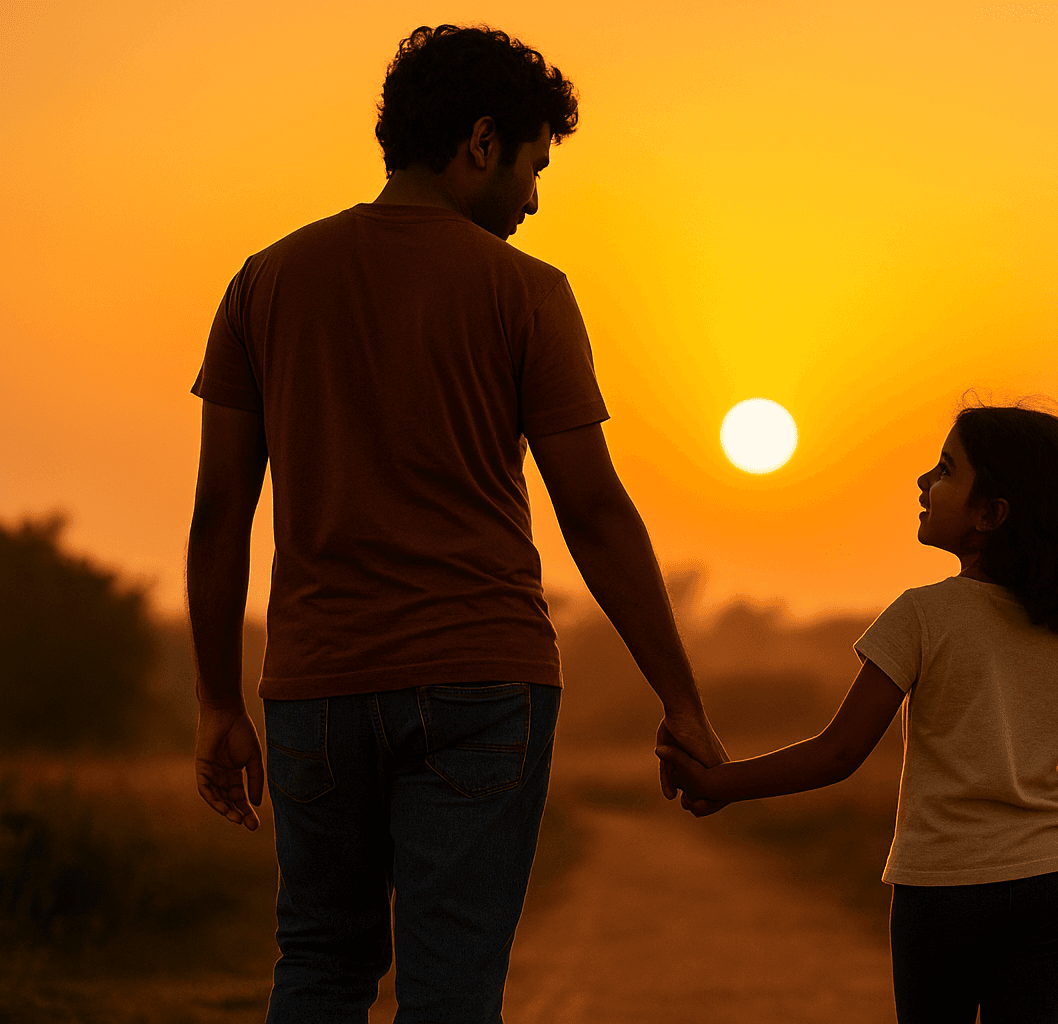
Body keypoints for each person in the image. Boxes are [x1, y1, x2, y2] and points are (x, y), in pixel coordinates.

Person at [186, 24, 727, 1022]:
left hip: (317, 685)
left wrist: (219, 699)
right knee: (452, 986)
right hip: (485, 680)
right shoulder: (527, 293)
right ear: (482, 142)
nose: (532, 199)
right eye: (533, 166)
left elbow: (222, 511)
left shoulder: (265, 280)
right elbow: (595, 514)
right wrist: (681, 699)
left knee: (317, 962)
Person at [658, 403, 1058, 1022]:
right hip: (1047, 883)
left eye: (944, 470)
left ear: (991, 514)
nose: (922, 482)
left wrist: (721, 783)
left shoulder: (921, 615)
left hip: (941, 886)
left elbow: (839, 753)